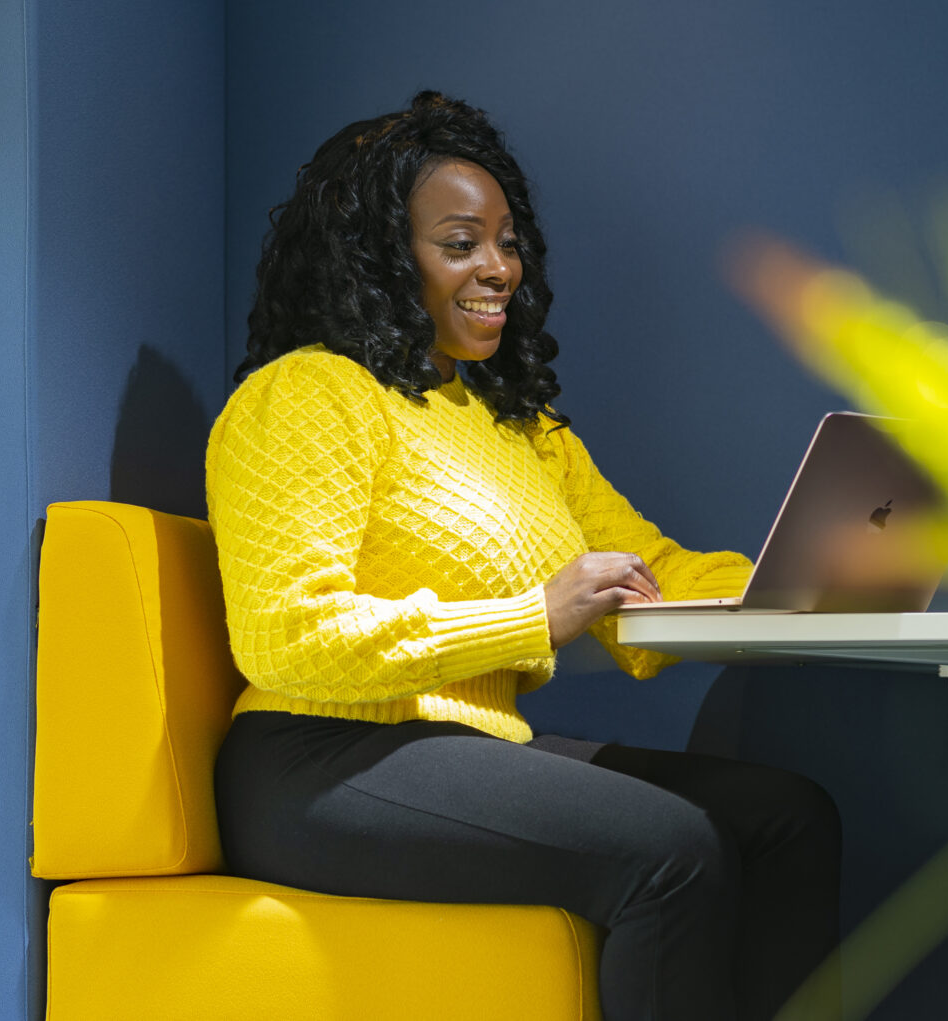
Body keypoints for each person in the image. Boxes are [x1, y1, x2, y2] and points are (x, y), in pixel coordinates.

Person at [206, 91, 841, 1021]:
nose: (498, 267)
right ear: (381, 258)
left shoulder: (519, 427)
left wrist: (793, 583)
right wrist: (536, 616)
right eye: (461, 244)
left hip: (463, 746)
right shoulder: (307, 394)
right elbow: (286, 638)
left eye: (507, 242)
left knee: (790, 815)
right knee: (673, 847)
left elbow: (651, 564)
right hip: (316, 760)